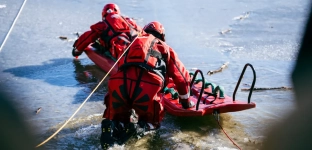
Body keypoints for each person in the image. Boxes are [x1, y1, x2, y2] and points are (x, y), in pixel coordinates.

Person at [100, 21, 195, 149]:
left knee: (120, 117)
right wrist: (185, 102)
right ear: (162, 36)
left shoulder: (131, 44)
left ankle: (112, 125)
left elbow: (121, 67)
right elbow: (182, 78)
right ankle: (140, 128)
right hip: (147, 88)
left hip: (119, 84)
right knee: (152, 123)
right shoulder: (165, 48)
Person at [72, 3, 142, 59]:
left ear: (104, 14)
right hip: (138, 49)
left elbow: (87, 37)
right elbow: (142, 33)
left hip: (120, 53)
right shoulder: (129, 21)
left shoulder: (102, 25)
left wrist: (76, 51)